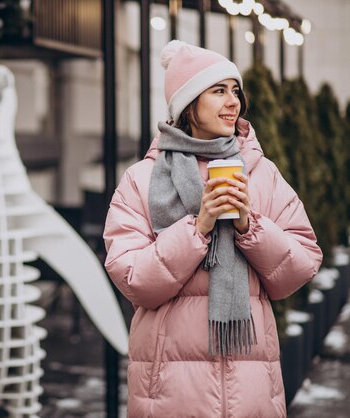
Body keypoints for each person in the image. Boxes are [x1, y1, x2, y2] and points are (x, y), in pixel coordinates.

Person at [103, 40, 323, 418]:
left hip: (252, 389)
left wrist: (248, 225)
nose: (232, 101)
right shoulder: (141, 180)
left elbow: (301, 266)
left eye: (235, 90)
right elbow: (134, 279)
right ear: (188, 104)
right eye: (218, 90)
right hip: (170, 393)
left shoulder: (261, 173)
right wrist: (198, 227)